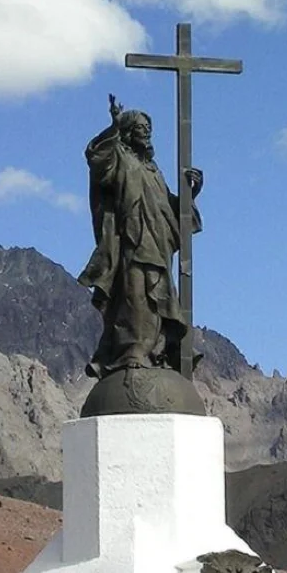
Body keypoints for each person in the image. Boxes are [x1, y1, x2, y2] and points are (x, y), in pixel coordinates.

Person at [78, 94, 203, 378]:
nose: (146, 133)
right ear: (127, 132)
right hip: (132, 242)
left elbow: (166, 207)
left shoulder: (153, 170)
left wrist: (190, 195)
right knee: (134, 297)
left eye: (148, 129)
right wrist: (113, 126)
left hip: (158, 244)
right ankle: (132, 352)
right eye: (139, 128)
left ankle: (159, 352)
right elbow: (97, 159)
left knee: (159, 299)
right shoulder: (120, 159)